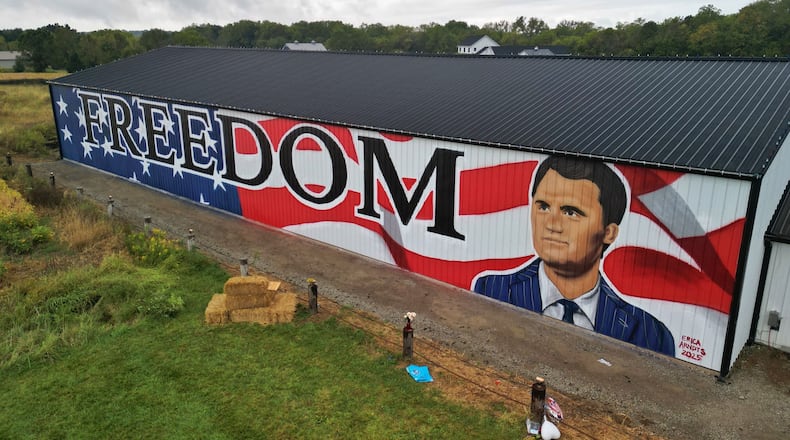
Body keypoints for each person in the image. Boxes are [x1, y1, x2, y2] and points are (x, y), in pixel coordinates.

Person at [473, 155, 675, 356]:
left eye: (571, 212)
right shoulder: (491, 290)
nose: (551, 225)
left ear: (609, 232)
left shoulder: (649, 333)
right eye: (543, 207)